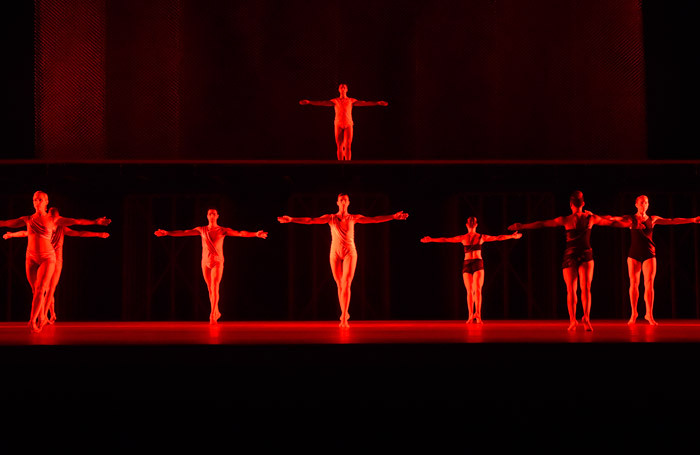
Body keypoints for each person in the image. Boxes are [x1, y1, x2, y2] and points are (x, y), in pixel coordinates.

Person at [278, 193, 408, 327]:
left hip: (350, 252)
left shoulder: (354, 217)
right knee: (339, 284)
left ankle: (344, 318)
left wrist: (393, 216)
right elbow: (311, 220)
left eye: (345, 199)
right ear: (337, 203)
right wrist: (292, 219)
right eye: (341, 200)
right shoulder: (331, 218)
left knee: (346, 283)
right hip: (335, 252)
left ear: (349, 202)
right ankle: (344, 312)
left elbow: (374, 219)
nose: (343, 201)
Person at [0, 191, 111, 332]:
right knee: (35, 290)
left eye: (40, 200)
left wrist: (95, 222)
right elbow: (6, 223)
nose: (37, 202)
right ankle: (42, 316)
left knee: (42, 289)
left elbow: (77, 222)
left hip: (48, 257)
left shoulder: (54, 220)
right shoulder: (27, 219)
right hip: (31, 257)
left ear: (46, 202)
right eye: (35, 199)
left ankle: (33, 321)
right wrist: (9, 234)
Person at [508, 191, 617, 331]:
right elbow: (611, 221)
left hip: (575, 255)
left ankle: (578, 319)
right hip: (581, 255)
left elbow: (543, 224)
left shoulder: (569, 219)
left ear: (571, 205)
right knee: (584, 288)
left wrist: (522, 226)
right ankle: (582, 319)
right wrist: (630, 223)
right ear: (582, 203)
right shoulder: (590, 218)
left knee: (573, 290)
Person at [154, 209, 268, 323]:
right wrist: (167, 232)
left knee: (214, 286)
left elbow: (239, 233)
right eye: (210, 213)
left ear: (217, 216)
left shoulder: (222, 230)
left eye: (214, 213)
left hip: (217, 261)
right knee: (210, 289)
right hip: (205, 262)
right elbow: (184, 232)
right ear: (207, 216)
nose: (212, 215)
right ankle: (216, 311)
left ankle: (213, 314)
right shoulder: (201, 229)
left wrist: (255, 234)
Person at [602, 195, 700, 325]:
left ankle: (649, 314)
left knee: (649, 284)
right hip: (634, 254)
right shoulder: (631, 219)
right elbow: (613, 218)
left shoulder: (653, 219)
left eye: (646, 203)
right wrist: (595, 217)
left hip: (649, 254)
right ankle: (634, 313)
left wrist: (692, 220)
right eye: (642, 203)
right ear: (636, 204)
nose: (644, 205)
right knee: (634, 284)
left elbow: (672, 220)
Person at [421, 217, 522, 324]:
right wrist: (431, 239)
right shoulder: (463, 237)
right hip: (467, 264)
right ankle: (470, 315)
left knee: (477, 290)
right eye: (471, 221)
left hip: (478, 263)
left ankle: (478, 314)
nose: (472, 222)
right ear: (467, 224)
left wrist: (512, 236)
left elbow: (498, 237)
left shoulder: (481, 237)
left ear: (476, 224)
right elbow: (446, 239)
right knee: (469, 291)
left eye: (473, 221)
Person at [299, 83, 388, 160]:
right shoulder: (335, 101)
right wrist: (309, 102)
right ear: (339, 89)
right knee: (339, 146)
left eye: (344, 87)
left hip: (348, 124)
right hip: (338, 124)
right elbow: (322, 102)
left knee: (348, 146)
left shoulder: (351, 100)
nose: (343, 88)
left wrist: (377, 103)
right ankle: (340, 164)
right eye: (341, 87)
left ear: (347, 89)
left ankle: (348, 164)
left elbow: (364, 103)